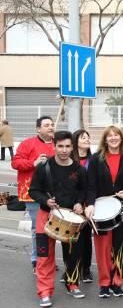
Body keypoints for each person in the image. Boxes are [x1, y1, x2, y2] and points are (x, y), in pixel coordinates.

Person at [29, 131, 87, 307]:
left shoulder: (79, 169)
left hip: (70, 216)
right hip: (46, 215)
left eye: (68, 146)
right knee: (44, 256)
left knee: (73, 254)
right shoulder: (44, 166)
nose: (64, 150)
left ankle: (72, 283)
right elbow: (33, 190)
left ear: (72, 147)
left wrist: (79, 203)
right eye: (60, 146)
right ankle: (45, 292)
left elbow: (83, 191)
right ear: (54, 146)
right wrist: (45, 200)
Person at [84, 126, 123, 298]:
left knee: (120, 246)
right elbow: (90, 185)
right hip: (101, 209)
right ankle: (105, 283)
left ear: (121, 138)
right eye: (109, 136)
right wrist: (90, 204)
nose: (113, 138)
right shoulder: (96, 159)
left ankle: (117, 282)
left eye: (116, 135)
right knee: (103, 247)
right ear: (105, 140)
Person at [12, 115, 55, 273]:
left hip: (54, 195)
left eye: (51, 124)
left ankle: (47, 259)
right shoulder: (27, 144)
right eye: (46, 125)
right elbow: (15, 163)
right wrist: (33, 163)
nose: (51, 127)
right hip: (33, 194)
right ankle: (37, 260)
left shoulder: (59, 145)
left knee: (53, 229)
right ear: (38, 129)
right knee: (39, 229)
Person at [71, 129, 93, 284]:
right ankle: (72, 268)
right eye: (83, 137)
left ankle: (86, 269)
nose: (87, 139)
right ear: (75, 141)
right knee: (71, 239)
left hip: (87, 205)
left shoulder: (94, 160)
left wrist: (87, 203)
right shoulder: (70, 160)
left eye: (88, 137)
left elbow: (93, 185)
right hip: (72, 205)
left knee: (85, 238)